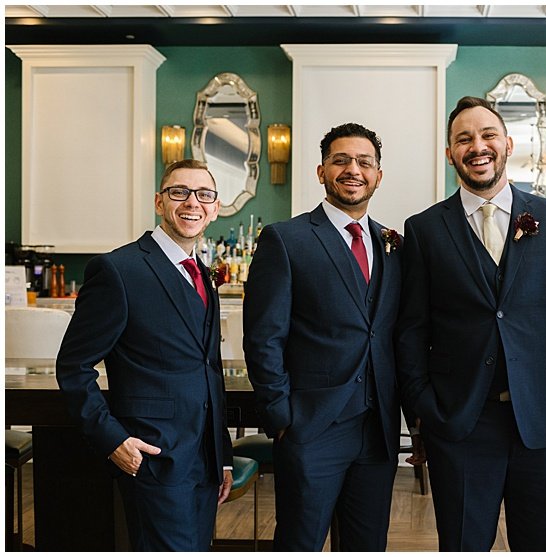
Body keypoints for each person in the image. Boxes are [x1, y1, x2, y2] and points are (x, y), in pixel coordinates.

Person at [395, 96, 546, 551]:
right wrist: (425, 412)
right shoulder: (425, 229)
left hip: (545, 421)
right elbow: (412, 333)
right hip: (462, 422)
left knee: (542, 544)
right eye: (463, 139)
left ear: (508, 144)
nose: (477, 146)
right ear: (450, 153)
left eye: (488, 135)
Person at [56, 159, 233, 551]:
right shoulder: (118, 270)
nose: (192, 203)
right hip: (153, 456)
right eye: (179, 192)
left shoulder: (203, 274)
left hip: (203, 461)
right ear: (159, 201)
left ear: (215, 207)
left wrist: (221, 456)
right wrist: (113, 439)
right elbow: (73, 366)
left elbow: (210, 371)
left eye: (204, 195)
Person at [244, 123, 406, 551]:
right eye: (341, 160)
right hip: (311, 427)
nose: (353, 169)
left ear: (378, 175)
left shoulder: (394, 244)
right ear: (321, 171)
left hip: (379, 430)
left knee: (367, 545)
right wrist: (282, 417)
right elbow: (263, 337)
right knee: (300, 542)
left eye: (364, 162)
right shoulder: (286, 239)